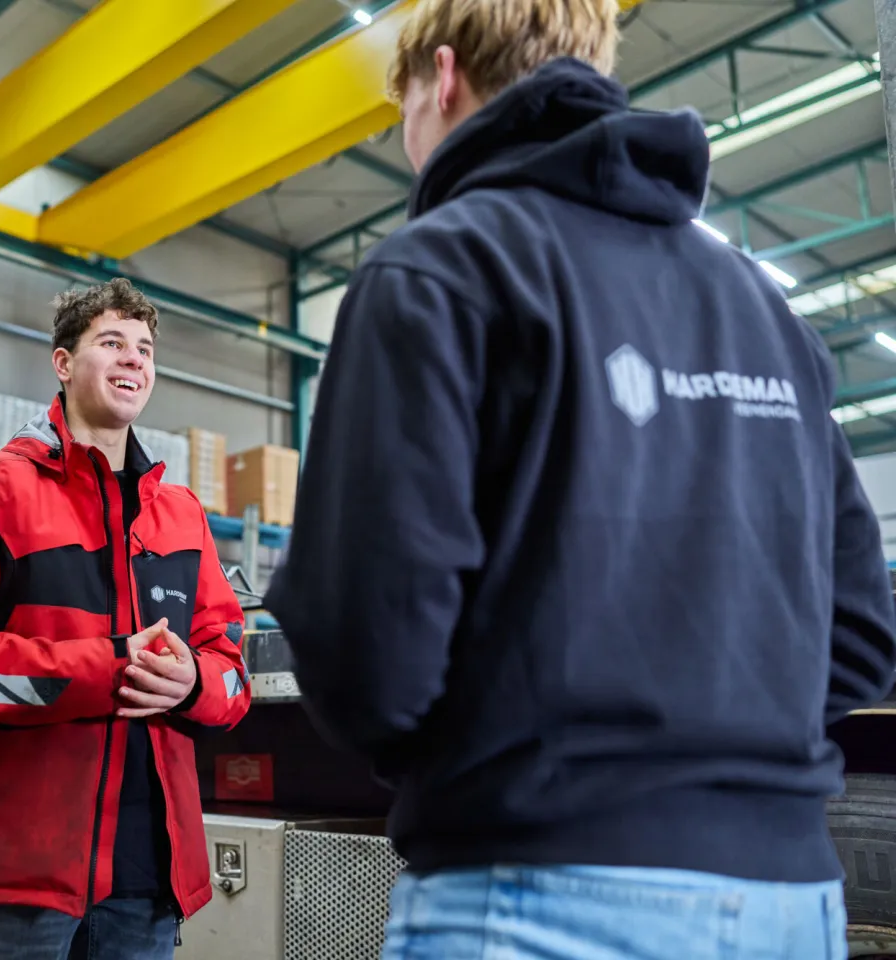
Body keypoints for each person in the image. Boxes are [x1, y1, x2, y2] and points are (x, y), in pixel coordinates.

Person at [263, 0, 896, 956]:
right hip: (791, 903)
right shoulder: (768, 316)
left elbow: (369, 653)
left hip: (539, 889)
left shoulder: (437, 272)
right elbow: (860, 634)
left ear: (444, 79)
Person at [0, 278, 252, 960]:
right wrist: (111, 668)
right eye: (111, 343)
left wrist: (193, 685)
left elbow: (230, 670)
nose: (134, 360)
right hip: (19, 869)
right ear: (62, 364)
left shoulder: (179, 516)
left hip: (149, 877)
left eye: (145, 349)